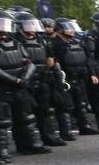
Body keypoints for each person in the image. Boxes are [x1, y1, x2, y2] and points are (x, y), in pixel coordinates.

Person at [0, 9, 52, 163]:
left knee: (26, 117)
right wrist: (13, 80)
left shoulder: (15, 41)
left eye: (5, 23)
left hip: (19, 85)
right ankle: (0, 151)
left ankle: (31, 145)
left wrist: (25, 78)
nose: (2, 27)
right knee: (1, 121)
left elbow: (29, 62)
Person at [14, 11, 67, 147]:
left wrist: (54, 75)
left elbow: (50, 59)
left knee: (45, 110)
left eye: (32, 25)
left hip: (42, 79)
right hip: (24, 81)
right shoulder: (15, 41)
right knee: (25, 115)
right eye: (28, 25)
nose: (31, 28)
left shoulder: (42, 39)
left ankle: (49, 137)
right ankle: (26, 144)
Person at [51, 18, 99, 137]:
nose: (72, 30)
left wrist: (92, 74)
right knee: (65, 106)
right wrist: (59, 78)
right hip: (65, 79)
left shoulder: (77, 42)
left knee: (81, 104)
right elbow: (53, 62)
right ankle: (66, 132)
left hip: (79, 78)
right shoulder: (54, 44)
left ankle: (85, 126)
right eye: (68, 28)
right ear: (59, 29)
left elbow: (87, 59)